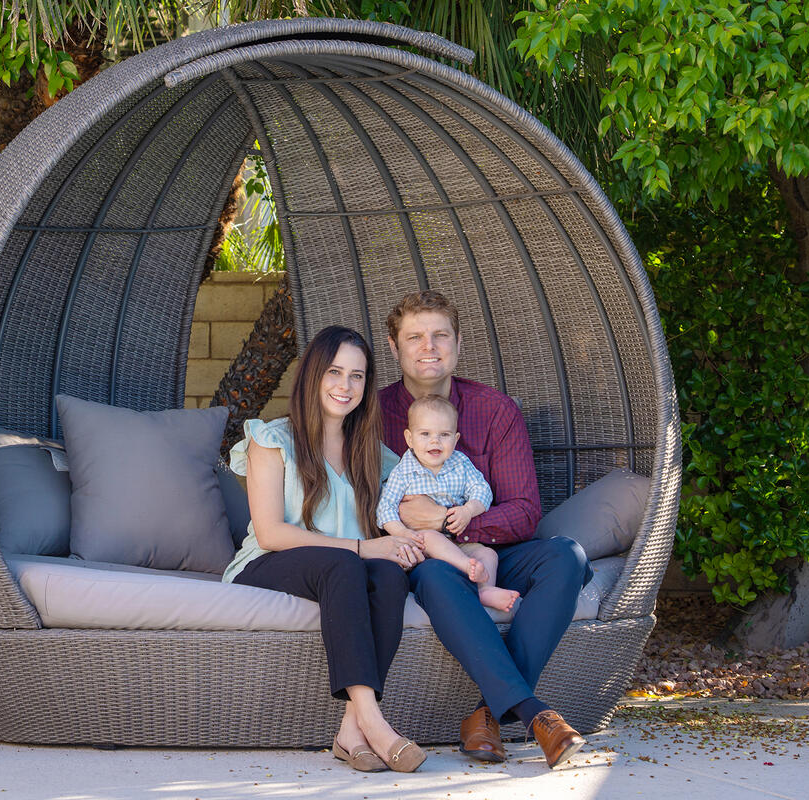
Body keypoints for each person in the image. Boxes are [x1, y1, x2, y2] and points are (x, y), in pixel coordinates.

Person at [379, 290, 594, 770]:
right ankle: (534, 713)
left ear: (458, 343)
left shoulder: (495, 410)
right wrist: (426, 538)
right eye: (414, 337)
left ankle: (485, 715)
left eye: (440, 335)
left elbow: (524, 510)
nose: (428, 346)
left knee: (568, 557)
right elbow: (359, 504)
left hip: (494, 552)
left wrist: (451, 522)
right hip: (422, 559)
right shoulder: (369, 416)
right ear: (394, 348)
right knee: (436, 576)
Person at [221, 325, 428, 773]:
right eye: (334, 372)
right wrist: (364, 545)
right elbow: (272, 533)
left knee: (390, 575)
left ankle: (350, 730)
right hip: (266, 563)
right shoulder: (271, 439)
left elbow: (410, 514)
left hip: (341, 569)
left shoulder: (375, 454)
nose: (345, 385)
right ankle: (375, 722)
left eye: (357, 376)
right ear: (313, 375)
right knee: (347, 564)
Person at [376, 393, 520, 613]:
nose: (435, 441)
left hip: (458, 541)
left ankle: (485, 590)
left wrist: (468, 511)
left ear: (456, 438)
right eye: (425, 434)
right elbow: (385, 507)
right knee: (431, 536)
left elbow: (482, 490)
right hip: (421, 545)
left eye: (444, 434)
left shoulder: (461, 463)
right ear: (410, 438)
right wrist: (402, 533)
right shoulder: (403, 472)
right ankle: (466, 567)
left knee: (488, 554)